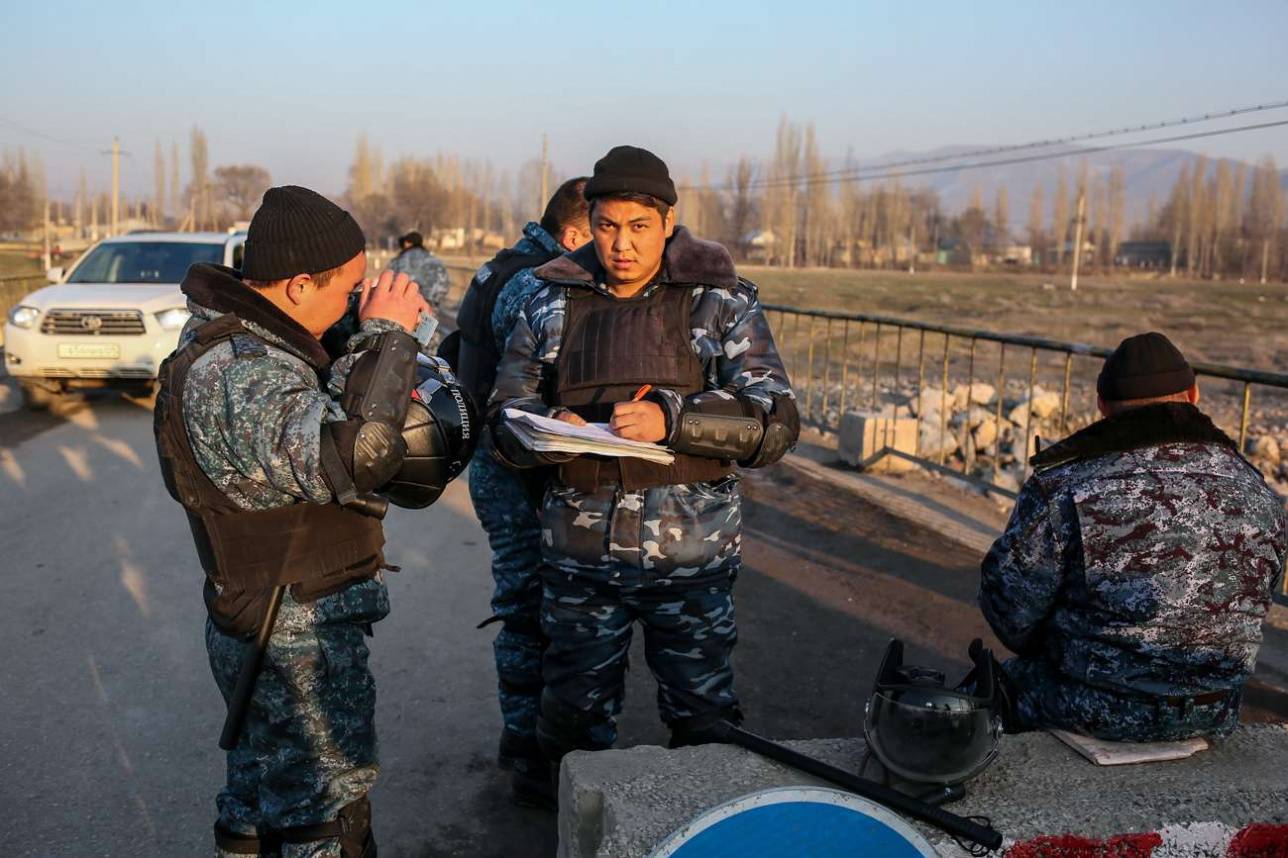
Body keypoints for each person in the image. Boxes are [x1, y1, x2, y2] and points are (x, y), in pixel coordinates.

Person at [153, 186, 461, 857]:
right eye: (347, 289)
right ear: (297, 286)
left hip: (278, 610)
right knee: (324, 810)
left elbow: (336, 388)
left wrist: (400, 334)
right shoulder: (241, 371)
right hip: (288, 627)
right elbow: (354, 455)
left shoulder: (263, 344)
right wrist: (387, 335)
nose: (353, 302)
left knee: (266, 791)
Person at [489, 146, 799, 777]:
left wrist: (675, 418)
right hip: (578, 559)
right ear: (589, 222)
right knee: (571, 724)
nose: (621, 245)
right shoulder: (549, 301)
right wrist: (549, 430)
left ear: (667, 222)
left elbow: (775, 420)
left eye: (637, 227)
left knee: (704, 722)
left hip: (690, 559)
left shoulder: (719, 302)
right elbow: (503, 419)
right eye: (606, 226)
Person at [979, 332, 1288, 742]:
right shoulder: (1259, 490)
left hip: (1089, 708)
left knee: (969, 702)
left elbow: (1010, 614)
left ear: (1102, 406)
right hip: (1216, 711)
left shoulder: (1066, 485)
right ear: (1194, 395)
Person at [452, 177, 592, 806]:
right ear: (574, 233)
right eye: (602, 232)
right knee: (534, 610)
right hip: (516, 467)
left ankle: (523, 740)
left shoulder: (499, 267)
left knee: (522, 604)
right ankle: (534, 753)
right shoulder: (537, 281)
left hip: (493, 458)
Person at [391, 230, 452, 312]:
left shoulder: (401, 259)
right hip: (430, 308)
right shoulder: (433, 259)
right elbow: (444, 282)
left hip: (405, 309)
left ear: (408, 243)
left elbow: (391, 280)